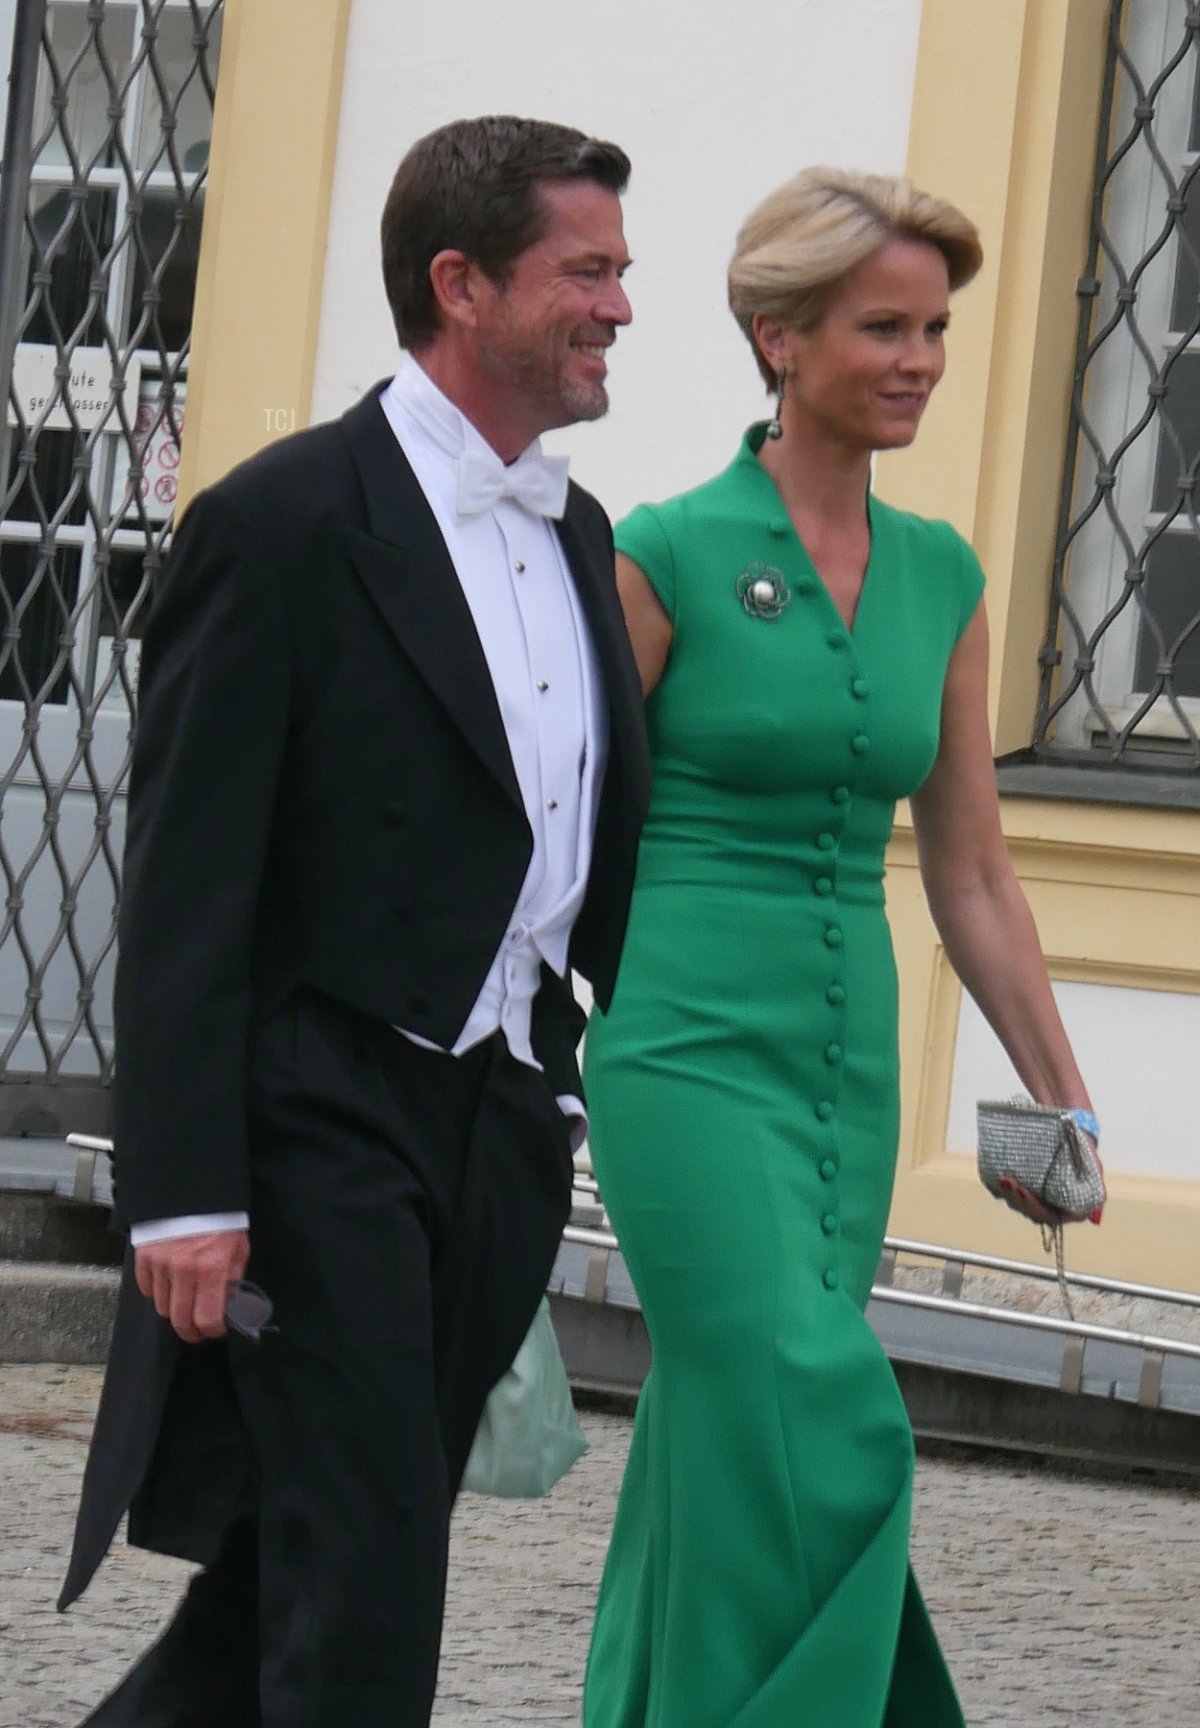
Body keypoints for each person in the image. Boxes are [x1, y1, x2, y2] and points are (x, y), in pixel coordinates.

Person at [57, 115, 649, 1728]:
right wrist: (180, 1192)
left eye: (620, 270)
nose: (618, 307)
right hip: (321, 1110)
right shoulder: (286, 523)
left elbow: (581, 830)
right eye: (584, 271)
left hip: (495, 1117)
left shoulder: (579, 534)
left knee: (300, 1564)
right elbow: (186, 879)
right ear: (462, 285)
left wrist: (567, 1073)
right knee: (370, 1569)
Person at [581, 167, 1100, 1727]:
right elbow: (561, 825)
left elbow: (975, 874)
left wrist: (1061, 1097)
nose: (922, 359)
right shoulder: (665, 551)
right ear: (776, 337)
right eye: (884, 326)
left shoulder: (942, 574)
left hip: (843, 1064)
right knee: (817, 1407)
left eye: (936, 328)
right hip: (677, 1042)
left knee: (719, 1429)